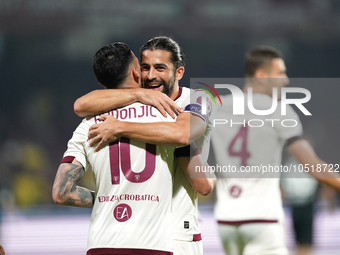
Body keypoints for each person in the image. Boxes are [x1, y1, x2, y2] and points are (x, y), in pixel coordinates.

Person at [52, 42, 211, 255]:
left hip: (111, 241)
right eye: (145, 67)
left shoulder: (90, 124)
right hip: (158, 240)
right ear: (137, 73)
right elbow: (204, 183)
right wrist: (139, 96)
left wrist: (109, 197)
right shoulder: (166, 116)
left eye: (160, 68)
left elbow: (61, 193)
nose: (151, 75)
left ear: (179, 72)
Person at [210, 45, 340, 255]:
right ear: (261, 76)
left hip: (225, 221)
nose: (285, 80)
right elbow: (312, 166)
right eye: (280, 73)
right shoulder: (279, 110)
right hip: (262, 219)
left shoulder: (217, 106)